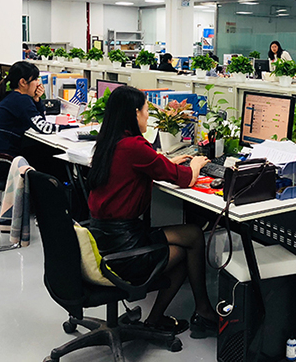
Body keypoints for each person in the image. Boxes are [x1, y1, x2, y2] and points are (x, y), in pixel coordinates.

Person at [86, 86, 218, 337]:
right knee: (190, 242)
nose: (148, 116)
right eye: (146, 110)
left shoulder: (108, 142)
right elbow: (185, 179)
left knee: (190, 237)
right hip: (124, 248)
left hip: (105, 237)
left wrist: (165, 162)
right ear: (134, 113)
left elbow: (144, 165)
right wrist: (196, 164)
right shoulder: (134, 146)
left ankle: (190, 312)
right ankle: (198, 312)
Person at [0, 61, 56, 179]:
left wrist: (36, 99)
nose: (38, 83)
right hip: (2, 164)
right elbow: (44, 127)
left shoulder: (9, 96)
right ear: (23, 82)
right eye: (35, 79)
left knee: (40, 150)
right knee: (51, 155)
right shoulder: (21, 99)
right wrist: (73, 128)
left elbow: (39, 121)